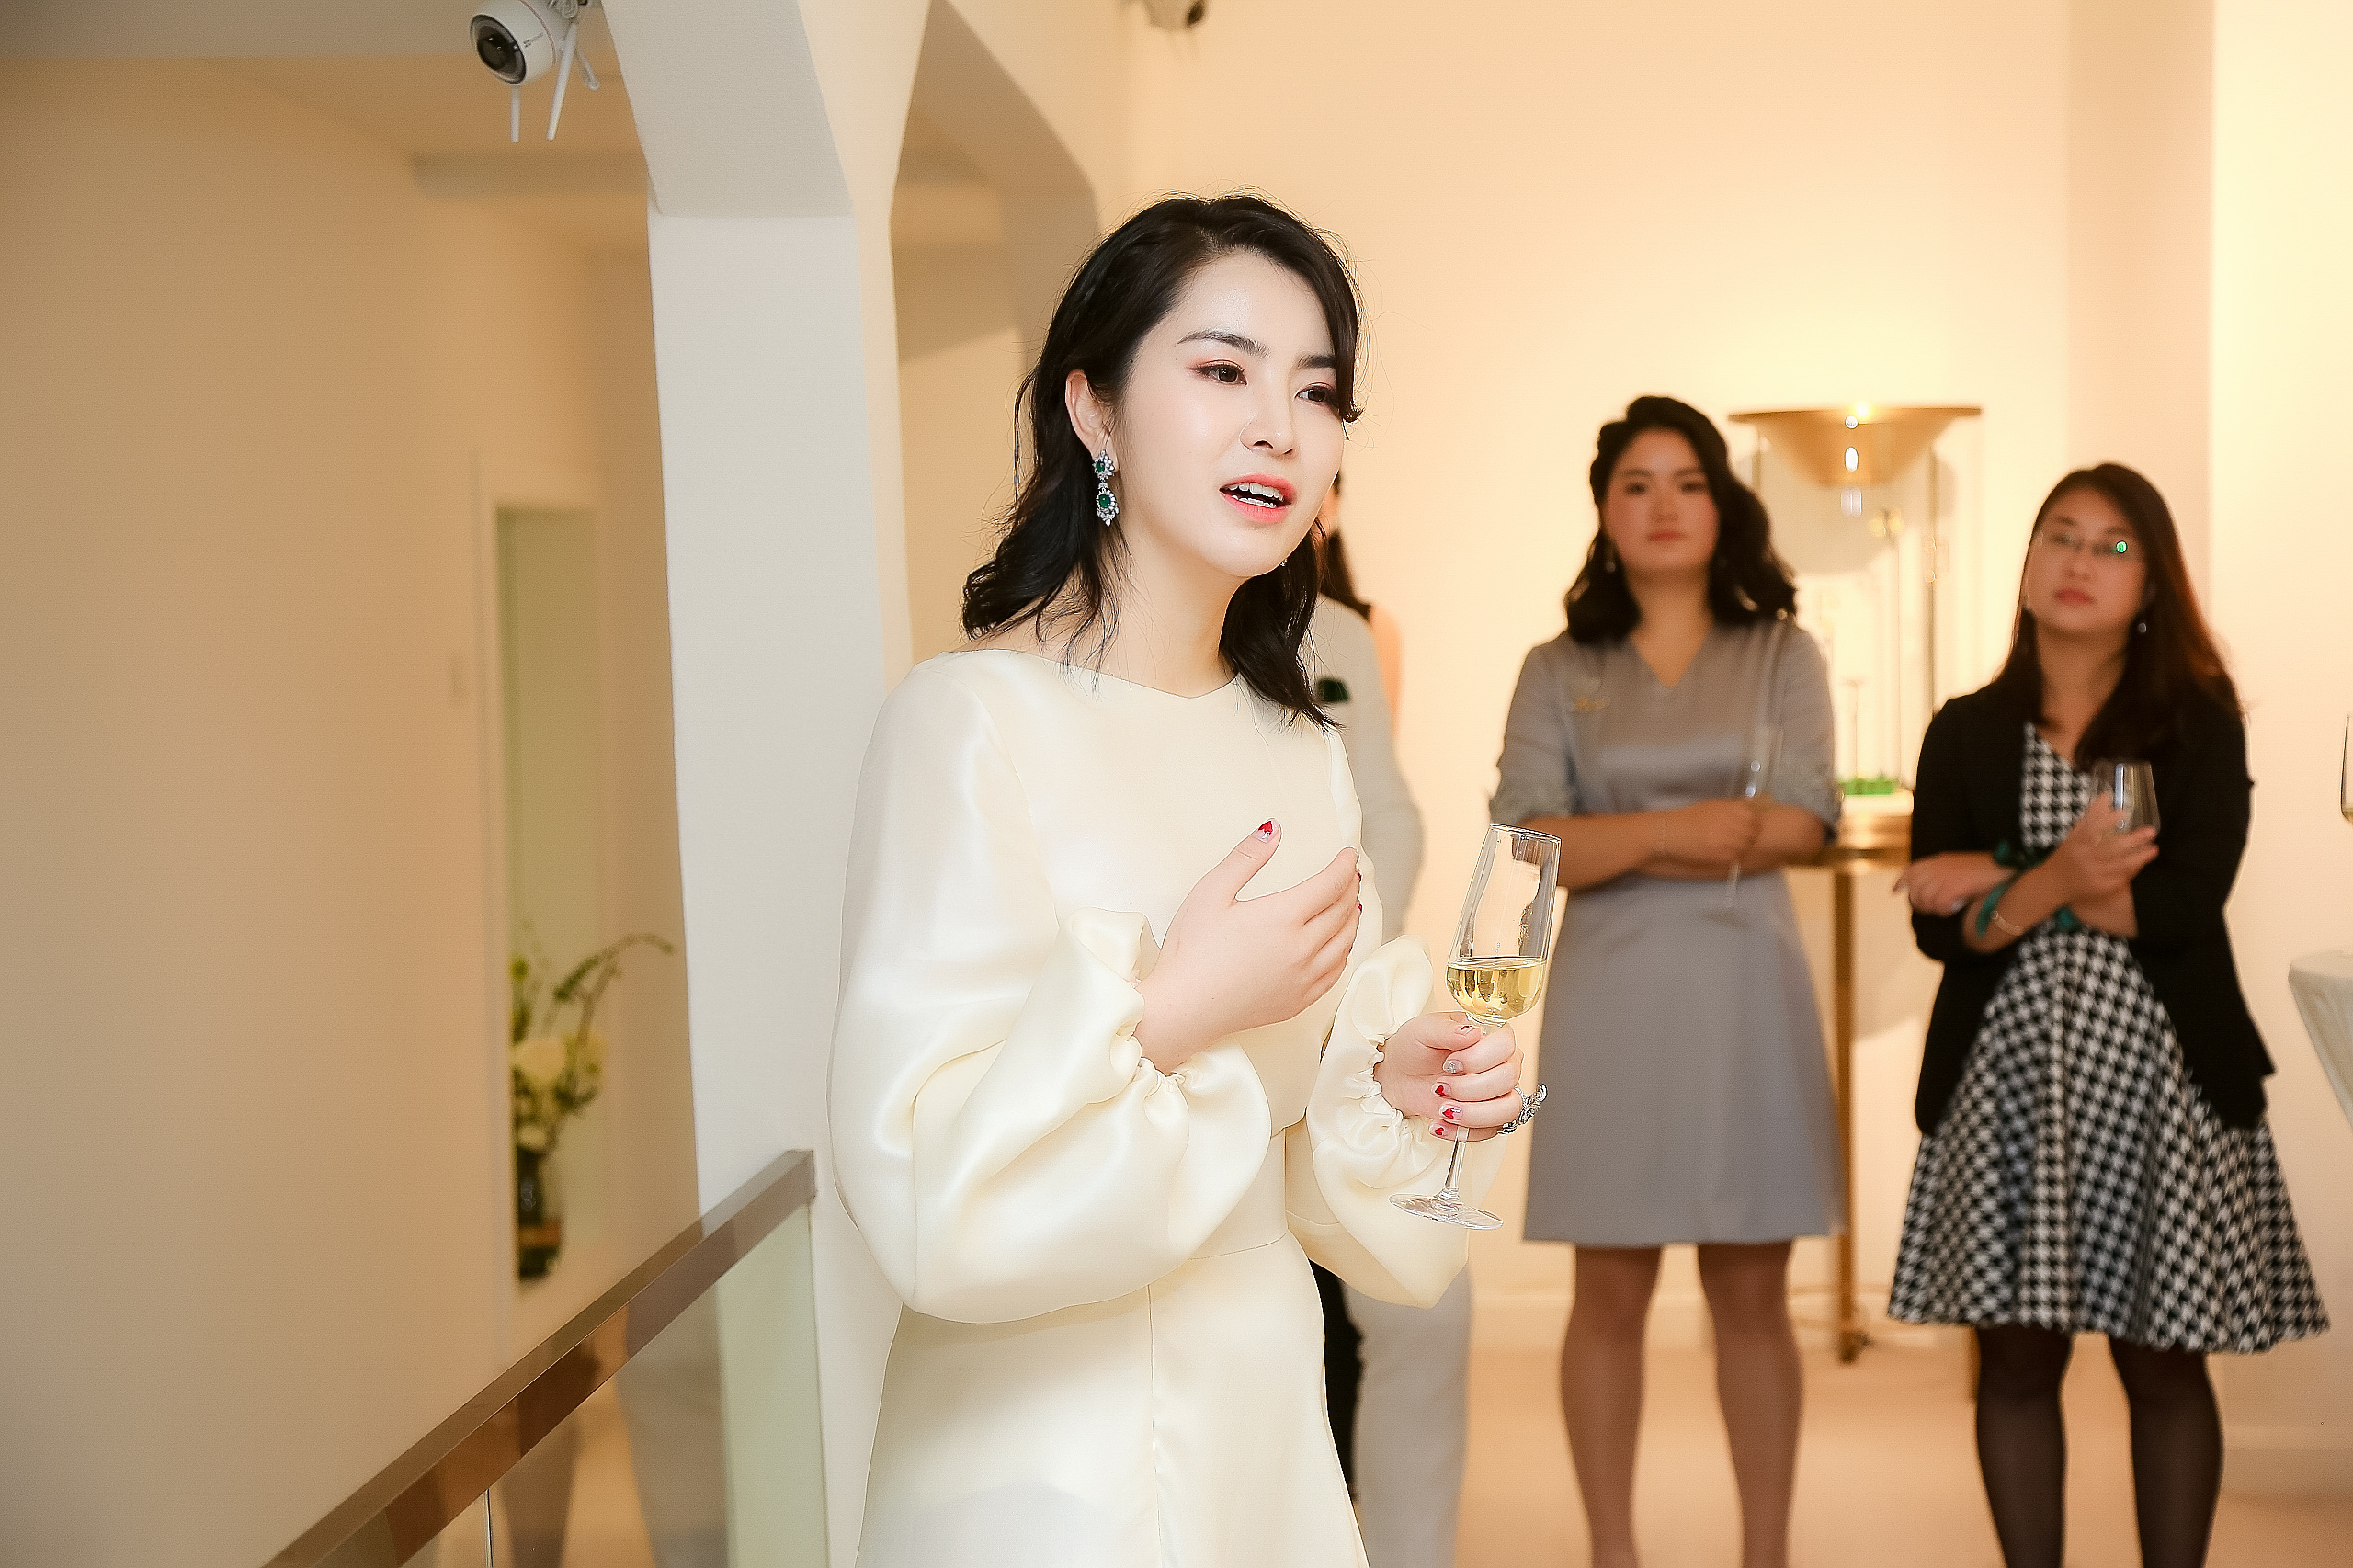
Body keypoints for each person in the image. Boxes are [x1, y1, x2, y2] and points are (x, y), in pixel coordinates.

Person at [828, 195, 1535, 1568]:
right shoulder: (967, 722)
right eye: (1222, 370)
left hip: (1257, 1429)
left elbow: (1295, 1156)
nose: (1278, 427)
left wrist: (1384, 1082)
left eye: (1315, 391)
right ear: (1092, 409)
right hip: (1040, 1467)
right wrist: (1176, 1010)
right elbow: (923, 1199)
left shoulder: (1300, 753)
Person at [1888, 463, 2326, 1568]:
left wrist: (1994, 875)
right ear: (2027, 561)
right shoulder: (1965, 729)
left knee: (2163, 1360)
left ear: (2152, 582)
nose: (2080, 561)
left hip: (2161, 1081)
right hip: (2004, 1086)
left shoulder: (2196, 725)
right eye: (2061, 536)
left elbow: (2181, 903)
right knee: (2014, 1362)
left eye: (2112, 545)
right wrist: (2060, 875)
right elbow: (1941, 933)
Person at [1491, 395, 1841, 1568]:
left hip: (1749, 996)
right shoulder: (1557, 667)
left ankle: (1766, 1553)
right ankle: (1612, 1551)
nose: (1662, 506)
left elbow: (1803, 820)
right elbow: (1527, 843)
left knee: (1753, 1293)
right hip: (1612, 1002)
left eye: (1687, 481)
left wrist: (1613, 834)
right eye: (1635, 484)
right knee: (1606, 1291)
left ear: (1722, 501)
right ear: (1603, 509)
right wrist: (1677, 830)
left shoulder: (1783, 651)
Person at [1306, 486, 1467, 1568]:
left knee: (1427, 1303)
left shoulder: (1343, 633)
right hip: (1200, 1033)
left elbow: (1390, 811)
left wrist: (1361, 977)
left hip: (1347, 1009)